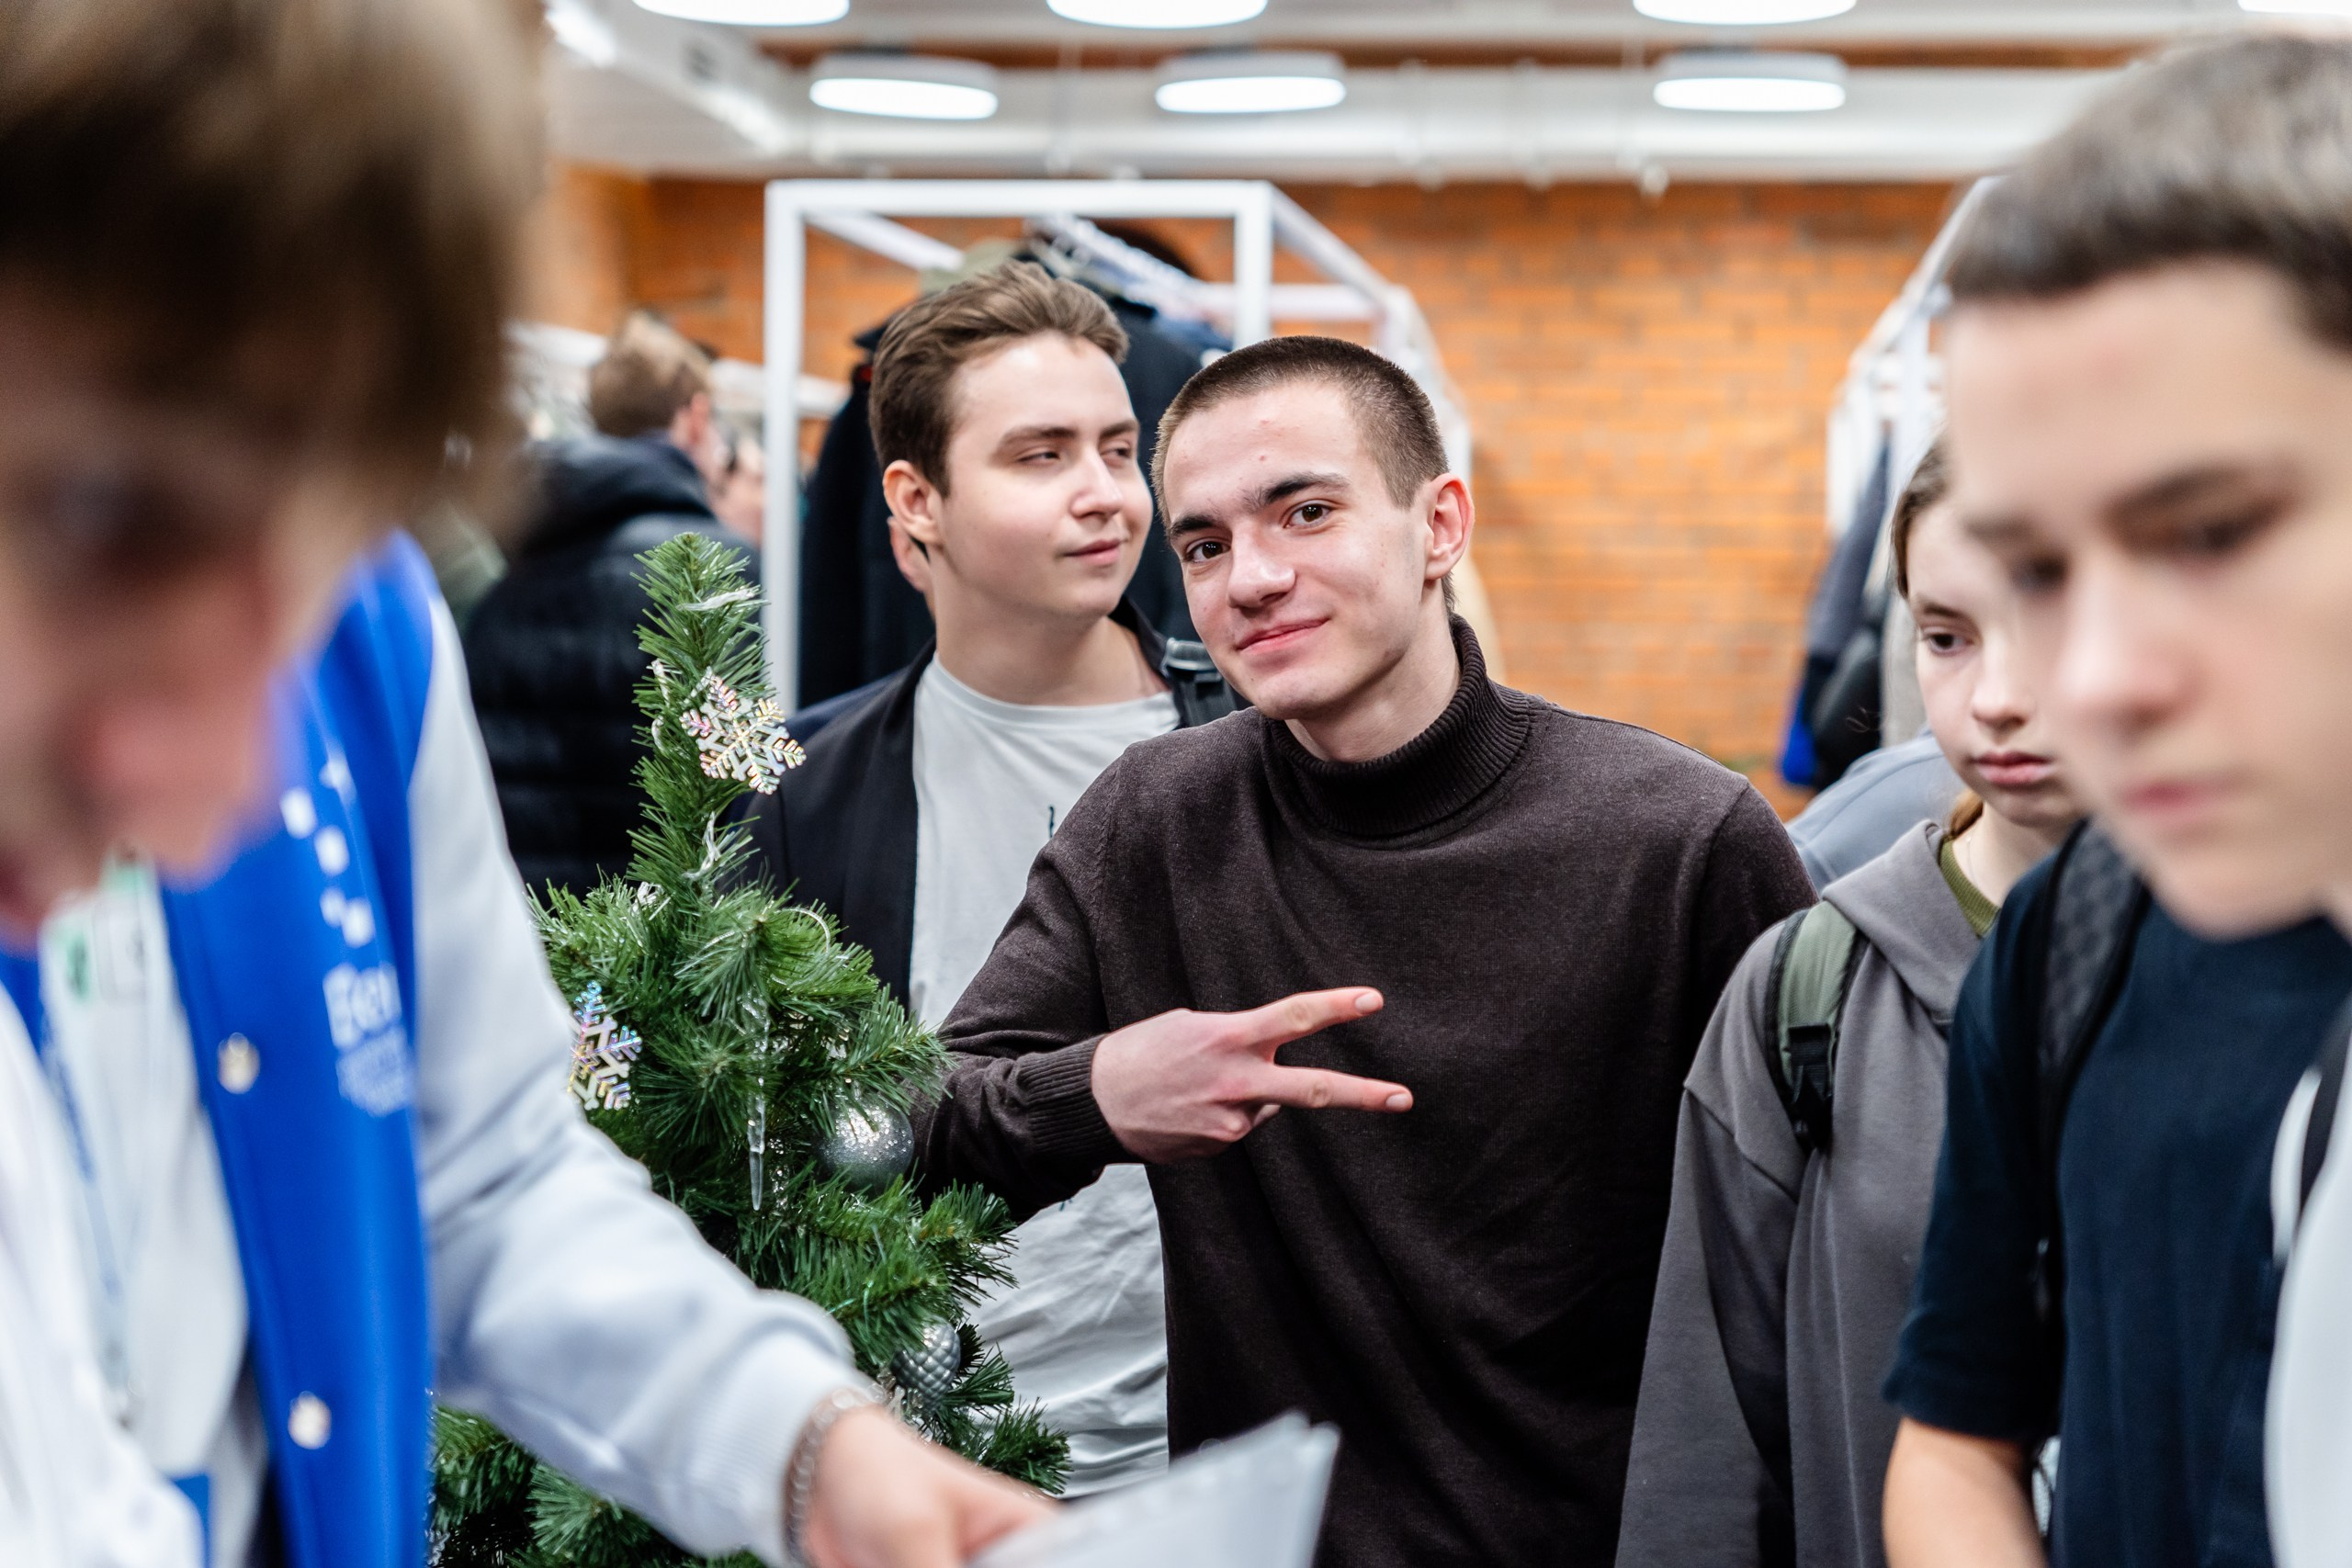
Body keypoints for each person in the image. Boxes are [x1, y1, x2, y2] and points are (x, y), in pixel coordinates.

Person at [0, 2, 1048, 1565]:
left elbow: (477, 1160)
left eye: (293, 570)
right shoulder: (688, 571)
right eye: (118, 527)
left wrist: (796, 1438)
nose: (219, 799)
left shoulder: (375, 635)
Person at [909, 333, 1814, 1567]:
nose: (1252, 577)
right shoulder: (1155, 821)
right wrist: (1101, 1092)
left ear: (1440, 523)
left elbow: (1810, 1272)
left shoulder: (1681, 837)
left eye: (1307, 510)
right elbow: (911, 1128)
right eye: (1207, 543)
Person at [1874, 35, 2352, 1568]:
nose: (2089, 676)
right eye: (2036, 570)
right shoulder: (2086, 926)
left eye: (2207, 530)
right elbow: (1957, 1438)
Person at [747, 262, 1236, 1496]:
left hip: (1205, 1439)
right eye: (1041, 456)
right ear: (916, 501)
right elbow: (779, 1138)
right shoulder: (808, 791)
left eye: (1119, 450)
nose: (1104, 496)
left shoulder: (1248, 745)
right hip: (922, 1450)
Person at [1616, 439, 2081, 1568]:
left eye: (2056, 624)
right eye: (1944, 638)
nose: (1999, 699)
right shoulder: (1808, 990)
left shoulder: (2289, 968)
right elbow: (1709, 1450)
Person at [464, 311, 752, 896]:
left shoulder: (515, 557)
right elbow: (734, 783)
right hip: (659, 941)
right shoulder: (708, 566)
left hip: (531, 928)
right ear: (695, 417)